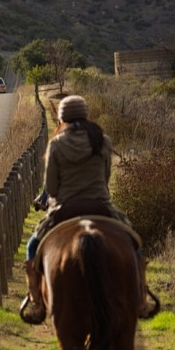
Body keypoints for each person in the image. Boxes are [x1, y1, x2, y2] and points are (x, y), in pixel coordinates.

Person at [21, 94, 124, 323]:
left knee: (32, 246)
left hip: (65, 208)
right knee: (133, 241)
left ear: (61, 119)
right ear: (86, 115)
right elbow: (106, 178)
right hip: (100, 205)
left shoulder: (56, 144)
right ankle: (140, 296)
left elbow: (51, 187)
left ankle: (37, 301)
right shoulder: (102, 140)